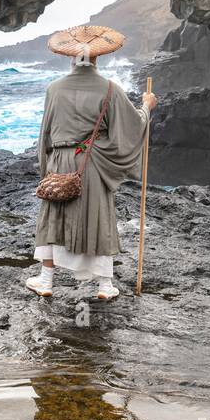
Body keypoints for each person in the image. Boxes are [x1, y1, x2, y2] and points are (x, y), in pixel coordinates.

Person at [27, 25, 156, 301]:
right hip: (92, 164)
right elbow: (131, 128)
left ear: (72, 58)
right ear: (97, 59)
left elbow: (45, 133)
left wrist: (45, 166)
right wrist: (147, 107)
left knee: (54, 218)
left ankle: (46, 281)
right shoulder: (111, 89)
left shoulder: (54, 89)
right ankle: (105, 286)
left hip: (60, 162)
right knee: (98, 218)